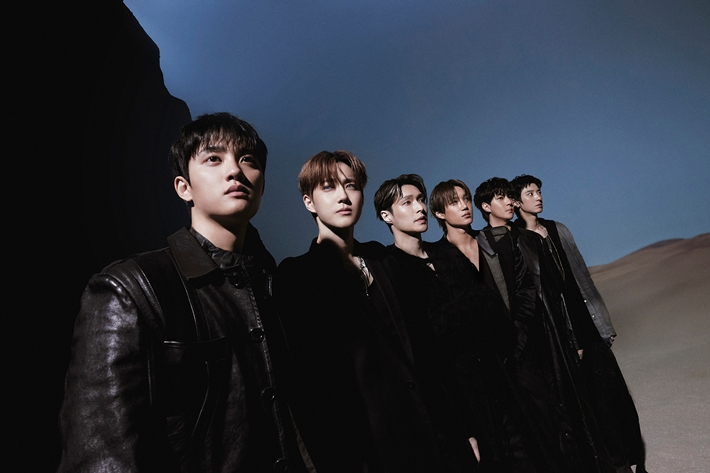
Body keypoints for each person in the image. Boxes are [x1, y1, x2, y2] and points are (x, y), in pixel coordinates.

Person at [58, 113, 304, 472]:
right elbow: (102, 453)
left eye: (248, 159)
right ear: (183, 187)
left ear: (262, 185)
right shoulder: (130, 288)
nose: (234, 171)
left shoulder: (277, 288)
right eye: (213, 158)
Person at [274, 155, 478, 472]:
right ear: (309, 202)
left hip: (433, 437)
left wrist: (463, 428)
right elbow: (311, 391)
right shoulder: (297, 277)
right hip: (369, 451)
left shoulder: (386, 260)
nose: (343, 196)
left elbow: (429, 352)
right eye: (328, 187)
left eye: (351, 186)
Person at [374, 174, 545, 473]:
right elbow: (426, 340)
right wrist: (464, 311)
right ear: (387, 216)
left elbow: (490, 307)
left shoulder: (448, 254)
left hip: (498, 382)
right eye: (407, 203)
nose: (420, 208)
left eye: (421, 200)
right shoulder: (391, 271)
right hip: (456, 401)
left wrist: (456, 316)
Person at [510, 174, 647, 473]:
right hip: (559, 336)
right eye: (530, 193)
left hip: (587, 325)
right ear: (517, 202)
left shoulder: (558, 229)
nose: (538, 197)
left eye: (539, 191)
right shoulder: (517, 239)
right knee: (586, 407)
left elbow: (582, 278)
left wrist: (602, 323)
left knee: (613, 398)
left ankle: (628, 462)